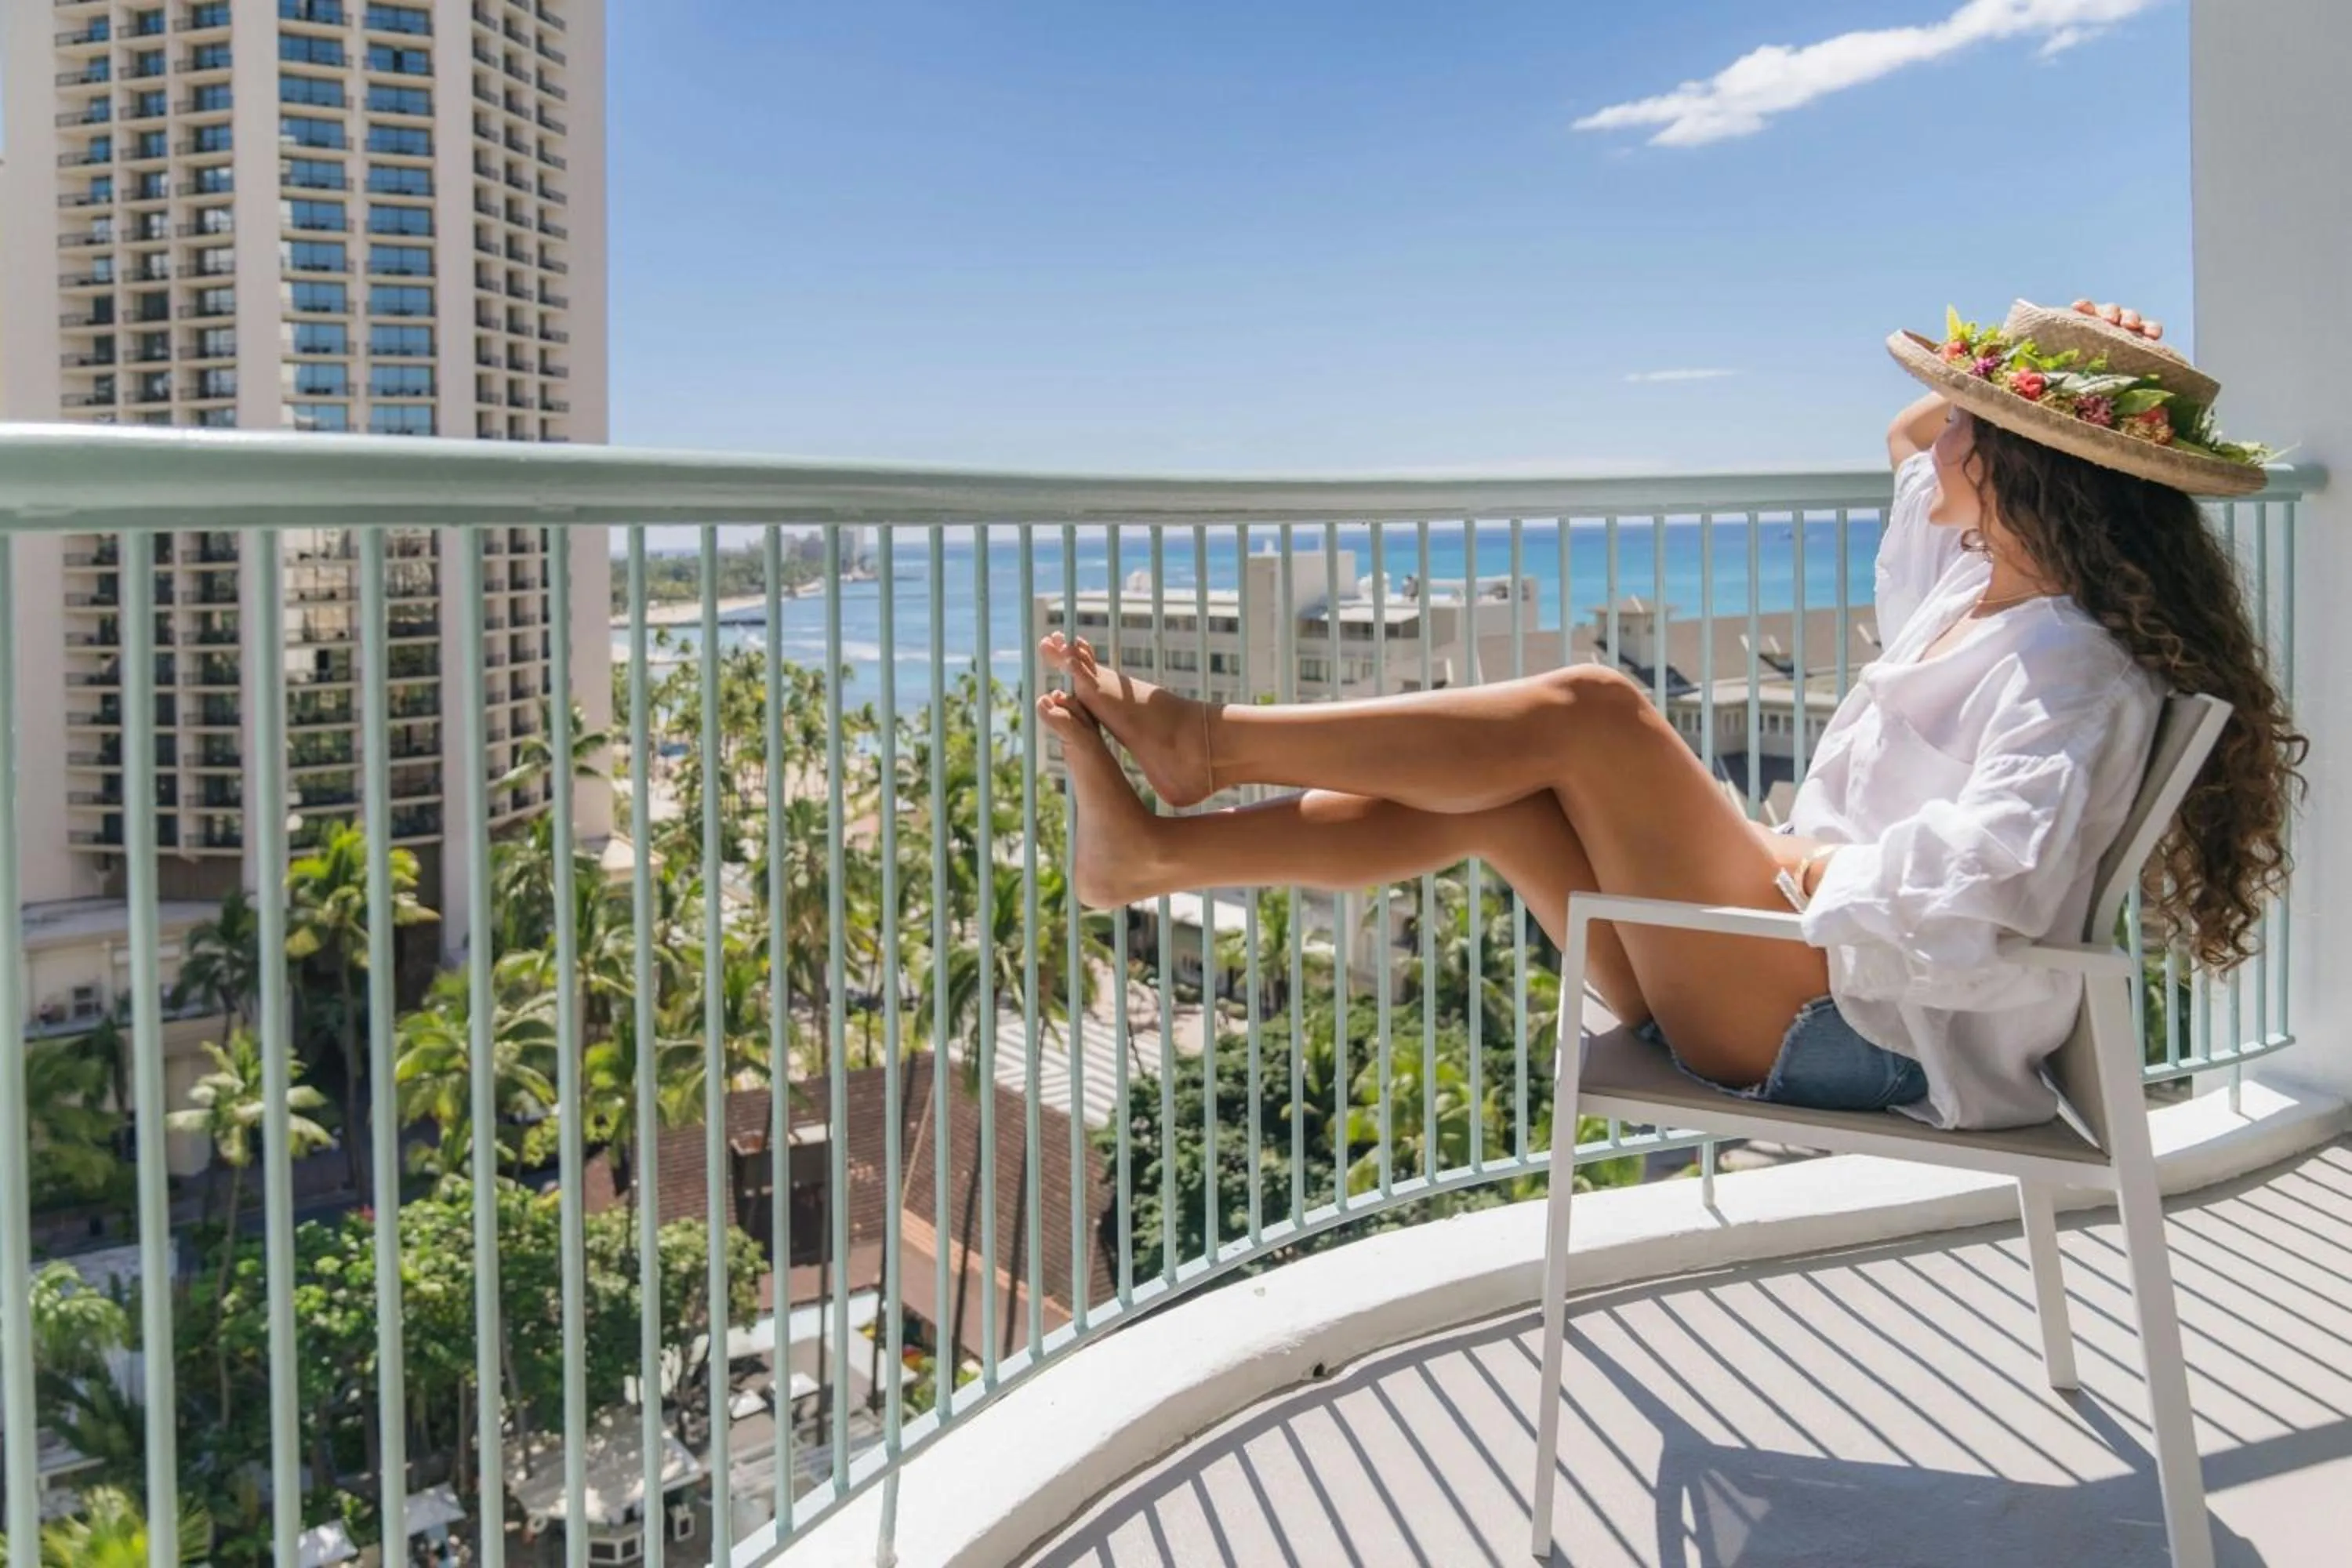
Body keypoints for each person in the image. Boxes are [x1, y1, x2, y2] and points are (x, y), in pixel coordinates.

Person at [1035, 299, 2303, 1131]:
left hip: (1856, 1031)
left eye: (1981, 427)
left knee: (1595, 711)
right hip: (1785, 979)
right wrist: (2062, 350)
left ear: (2024, 472)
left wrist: (1791, 865)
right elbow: (1908, 427)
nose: (1947, 443)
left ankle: (1209, 744)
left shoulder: (2071, 671)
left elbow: (1987, 901)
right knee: (1521, 796)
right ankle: (1156, 852)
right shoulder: (1972, 589)